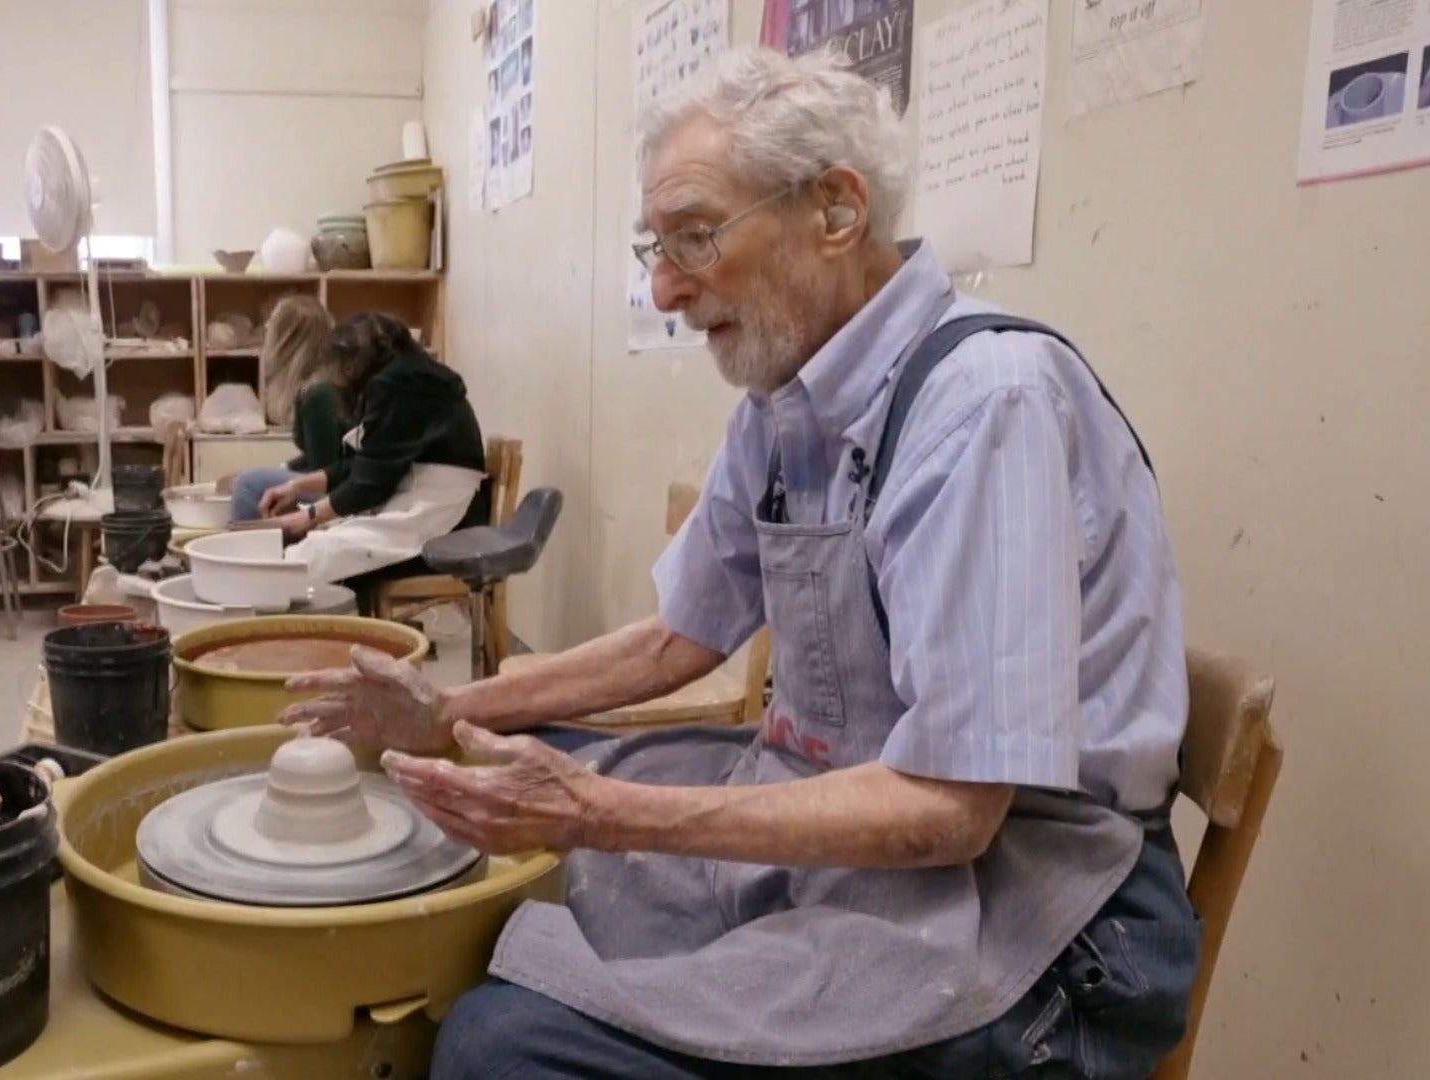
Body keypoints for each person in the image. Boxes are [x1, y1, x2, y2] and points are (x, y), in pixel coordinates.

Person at [283, 47, 1198, 1080]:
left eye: (697, 236)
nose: (667, 288)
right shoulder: (788, 400)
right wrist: (456, 714)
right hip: (872, 829)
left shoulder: (984, 404)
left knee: (500, 1045)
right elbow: (681, 637)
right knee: (511, 794)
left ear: (837, 211)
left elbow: (953, 810)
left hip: (1043, 919)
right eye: (654, 248)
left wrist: (601, 813)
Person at [255, 311, 489, 587]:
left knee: (314, 556)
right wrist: (297, 487)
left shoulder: (399, 384)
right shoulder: (411, 376)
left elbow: (369, 483)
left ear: (357, 359)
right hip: (434, 504)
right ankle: (350, 626)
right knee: (323, 541)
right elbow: (365, 465)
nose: (339, 374)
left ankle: (347, 630)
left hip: (446, 521)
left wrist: (309, 516)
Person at [230, 294, 341, 521]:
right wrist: (283, 467)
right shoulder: (319, 382)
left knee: (247, 484)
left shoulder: (318, 394)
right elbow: (318, 455)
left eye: (272, 324)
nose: (267, 329)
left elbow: (328, 471)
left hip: (344, 487)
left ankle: (249, 551)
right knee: (253, 477)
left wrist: (284, 482)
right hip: (341, 477)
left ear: (288, 339)